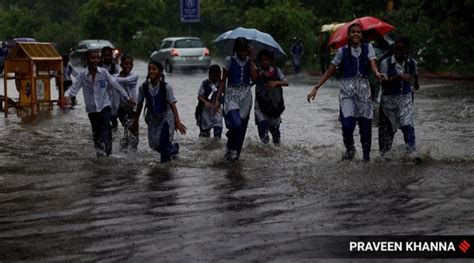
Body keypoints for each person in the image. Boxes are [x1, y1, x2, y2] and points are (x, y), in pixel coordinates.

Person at [307, 23, 384, 162]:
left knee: (365, 126)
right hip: (347, 92)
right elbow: (330, 70)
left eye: (358, 32)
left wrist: (377, 74)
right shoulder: (342, 51)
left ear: (362, 35)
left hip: (364, 91)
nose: (355, 34)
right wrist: (316, 88)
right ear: (348, 35)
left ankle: (366, 158)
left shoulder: (368, 48)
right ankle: (350, 149)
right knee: (347, 125)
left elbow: (373, 66)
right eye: (353, 32)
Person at [65, 49, 135, 157]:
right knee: (96, 131)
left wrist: (127, 97)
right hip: (92, 108)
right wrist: (69, 97)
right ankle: (99, 153)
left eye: (97, 58)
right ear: (87, 59)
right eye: (93, 58)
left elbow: (115, 85)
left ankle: (108, 152)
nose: (95, 60)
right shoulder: (83, 74)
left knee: (107, 127)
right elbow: (75, 87)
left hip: (104, 105)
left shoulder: (103, 72)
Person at [129, 60, 187, 163]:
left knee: (164, 143)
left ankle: (164, 171)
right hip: (153, 118)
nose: (151, 71)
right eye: (149, 69)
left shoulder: (166, 87)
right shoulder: (144, 87)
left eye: (154, 69)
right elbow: (140, 105)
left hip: (166, 118)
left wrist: (177, 122)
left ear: (160, 72)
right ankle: (173, 148)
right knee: (155, 145)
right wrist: (135, 121)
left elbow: (173, 105)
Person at [216, 37, 257, 161]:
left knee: (242, 127)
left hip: (246, 95)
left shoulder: (250, 61)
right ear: (236, 50)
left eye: (245, 51)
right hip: (231, 94)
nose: (243, 53)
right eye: (241, 51)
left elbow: (255, 78)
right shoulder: (229, 61)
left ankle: (235, 155)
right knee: (237, 124)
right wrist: (218, 99)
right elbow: (223, 81)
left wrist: (251, 58)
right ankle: (230, 141)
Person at [378, 36, 419, 156]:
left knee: (408, 127)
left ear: (407, 50)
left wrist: (414, 84)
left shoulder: (412, 63)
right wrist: (398, 77)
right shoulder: (385, 63)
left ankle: (411, 155)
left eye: (401, 50)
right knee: (386, 137)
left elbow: (415, 80)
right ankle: (384, 158)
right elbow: (384, 84)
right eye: (396, 50)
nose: (398, 53)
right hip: (388, 103)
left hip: (405, 99)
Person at [254, 49, 289, 145]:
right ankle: (265, 151)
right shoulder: (256, 72)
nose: (263, 62)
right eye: (261, 60)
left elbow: (286, 82)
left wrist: (276, 82)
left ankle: (275, 150)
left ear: (270, 61)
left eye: (266, 60)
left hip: (274, 104)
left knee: (275, 133)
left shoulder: (276, 71)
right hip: (260, 105)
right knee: (262, 127)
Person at [113, 54, 139, 152]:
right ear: (121, 64)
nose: (128, 66)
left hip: (133, 108)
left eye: (130, 64)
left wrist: (113, 80)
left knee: (133, 130)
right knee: (127, 129)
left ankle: (132, 150)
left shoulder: (134, 76)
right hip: (121, 108)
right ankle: (124, 150)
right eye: (126, 64)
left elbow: (125, 80)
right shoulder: (115, 76)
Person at [195, 64, 223, 139]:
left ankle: (216, 148)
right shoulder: (205, 83)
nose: (215, 78)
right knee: (204, 134)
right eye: (213, 75)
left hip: (217, 109)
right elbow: (199, 96)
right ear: (209, 75)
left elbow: (225, 96)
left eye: (217, 75)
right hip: (205, 110)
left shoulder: (221, 84)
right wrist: (206, 102)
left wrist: (219, 103)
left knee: (217, 131)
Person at [99, 46, 120, 130]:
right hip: (101, 93)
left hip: (113, 92)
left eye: (109, 55)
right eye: (105, 56)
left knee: (113, 112)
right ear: (102, 56)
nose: (107, 58)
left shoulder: (115, 68)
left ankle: (114, 125)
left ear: (112, 56)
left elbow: (117, 81)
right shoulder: (99, 66)